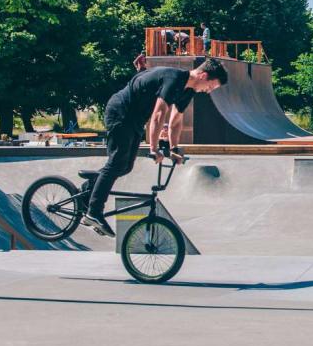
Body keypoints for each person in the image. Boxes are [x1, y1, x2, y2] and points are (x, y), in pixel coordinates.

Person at [82, 59, 229, 237]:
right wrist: (154, 148)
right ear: (204, 76)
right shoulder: (174, 79)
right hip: (120, 112)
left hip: (135, 119)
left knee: (125, 167)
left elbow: (176, 120)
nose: (209, 91)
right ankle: (93, 212)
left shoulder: (188, 91)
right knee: (116, 163)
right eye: (211, 86)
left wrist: (174, 148)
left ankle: (89, 188)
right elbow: (159, 114)